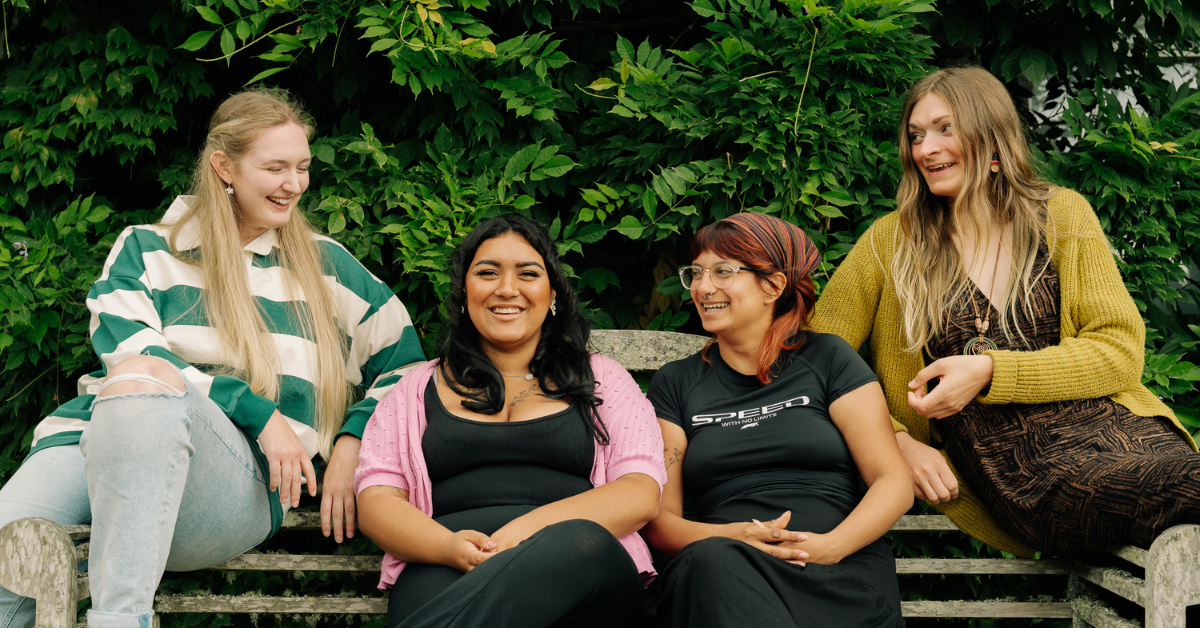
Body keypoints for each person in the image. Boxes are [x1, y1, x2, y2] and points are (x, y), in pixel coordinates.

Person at [0, 88, 426, 628]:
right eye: (275, 168)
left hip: (236, 478)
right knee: (5, 570)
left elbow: (409, 366)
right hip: (92, 441)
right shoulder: (144, 248)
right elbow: (130, 355)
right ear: (224, 166)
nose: (293, 184)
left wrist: (351, 441)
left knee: (147, 384)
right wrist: (258, 409)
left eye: (302, 167)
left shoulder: (330, 266)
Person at [809, 65, 1200, 558]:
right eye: (916, 135)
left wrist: (992, 370)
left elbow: (1120, 351)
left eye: (944, 128)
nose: (925, 149)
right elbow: (817, 361)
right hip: (1028, 473)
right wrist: (897, 441)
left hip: (1127, 435)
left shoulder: (1061, 215)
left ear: (992, 138)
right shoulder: (891, 243)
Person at [354, 214, 666, 628]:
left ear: (552, 292)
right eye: (487, 273)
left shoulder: (604, 379)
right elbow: (377, 501)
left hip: (580, 571)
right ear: (465, 291)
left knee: (583, 540)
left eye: (528, 273)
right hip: (444, 565)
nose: (506, 289)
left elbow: (639, 492)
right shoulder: (415, 389)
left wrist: (525, 534)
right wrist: (448, 547)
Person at [642, 213, 911, 627]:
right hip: (723, 577)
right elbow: (661, 522)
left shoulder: (828, 359)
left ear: (774, 285)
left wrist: (830, 546)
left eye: (723, 271)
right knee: (713, 565)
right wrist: (732, 537)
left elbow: (893, 481)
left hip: (837, 572)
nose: (702, 287)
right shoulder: (677, 383)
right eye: (695, 273)